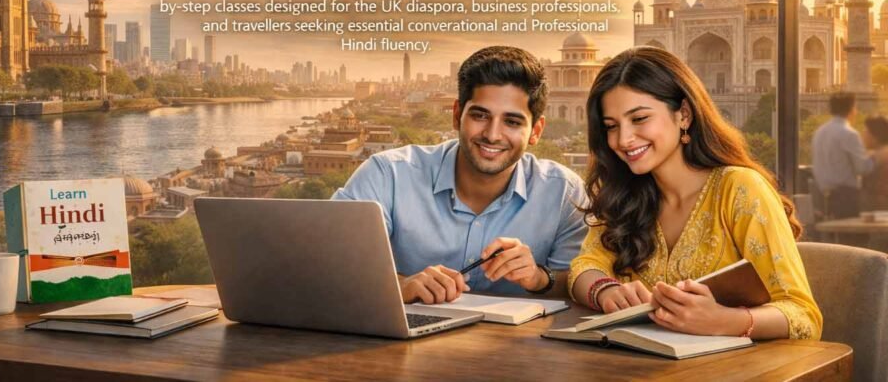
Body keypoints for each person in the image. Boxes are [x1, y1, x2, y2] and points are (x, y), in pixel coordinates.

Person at [568, 46, 822, 340]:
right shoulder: (625, 195)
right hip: (638, 365)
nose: (623, 139)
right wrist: (604, 289)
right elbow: (585, 265)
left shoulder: (738, 190)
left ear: (684, 115)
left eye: (639, 119)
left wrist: (726, 321)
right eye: (611, 126)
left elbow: (803, 317)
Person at [333, 46, 588, 304]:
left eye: (512, 122)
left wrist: (538, 278)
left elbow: (580, 282)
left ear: (536, 131)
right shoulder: (389, 175)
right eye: (480, 115)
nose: (492, 134)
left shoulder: (564, 194)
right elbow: (330, 259)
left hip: (516, 344)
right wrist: (400, 285)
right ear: (457, 116)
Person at [811, 92, 874, 219]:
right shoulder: (849, 134)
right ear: (851, 109)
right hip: (846, 196)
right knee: (851, 237)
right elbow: (862, 168)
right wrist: (873, 156)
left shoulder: (819, 132)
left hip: (821, 195)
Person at [861, 115, 888, 212]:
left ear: (875, 136)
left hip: (878, 211)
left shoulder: (876, 157)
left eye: (866, 132)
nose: (862, 135)